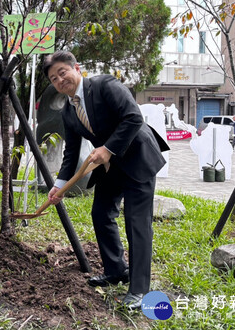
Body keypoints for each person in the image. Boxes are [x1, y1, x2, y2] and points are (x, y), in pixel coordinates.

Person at [43, 51, 169, 309]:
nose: (60, 80)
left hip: (138, 157)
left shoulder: (104, 85)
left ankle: (139, 289)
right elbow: (70, 153)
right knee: (100, 213)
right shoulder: (68, 111)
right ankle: (116, 270)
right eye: (54, 78)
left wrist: (108, 148)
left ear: (76, 68)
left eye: (62, 72)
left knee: (137, 222)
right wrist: (58, 186)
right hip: (110, 166)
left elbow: (133, 117)